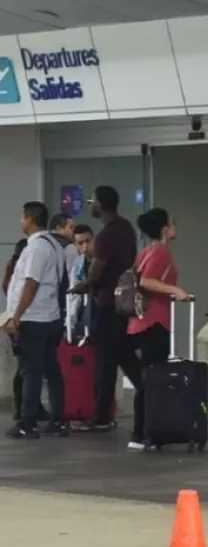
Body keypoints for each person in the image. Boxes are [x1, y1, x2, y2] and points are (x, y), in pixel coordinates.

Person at [69, 186, 138, 432]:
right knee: (123, 357)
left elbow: (96, 272)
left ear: (100, 204)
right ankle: (147, 393)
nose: (89, 204)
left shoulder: (107, 236)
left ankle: (100, 417)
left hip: (108, 304)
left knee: (105, 362)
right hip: (123, 304)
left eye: (92, 201)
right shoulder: (126, 228)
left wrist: (84, 283)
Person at [126, 209, 189, 451]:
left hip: (140, 321)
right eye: (172, 222)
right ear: (164, 228)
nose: (175, 226)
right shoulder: (160, 251)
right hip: (154, 322)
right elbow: (146, 281)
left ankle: (144, 432)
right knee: (151, 380)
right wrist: (176, 291)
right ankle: (143, 433)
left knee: (148, 379)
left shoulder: (144, 252)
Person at [5, 202, 66, 439]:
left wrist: (16, 316)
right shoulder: (55, 245)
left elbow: (31, 283)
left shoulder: (36, 248)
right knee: (51, 370)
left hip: (34, 318)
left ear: (29, 219)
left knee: (31, 371)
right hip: (50, 316)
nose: (20, 222)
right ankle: (58, 420)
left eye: (22, 217)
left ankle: (27, 423)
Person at [65, 224, 93, 344]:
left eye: (88, 241)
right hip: (88, 312)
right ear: (75, 245)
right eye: (80, 243)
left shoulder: (103, 259)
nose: (85, 246)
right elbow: (74, 295)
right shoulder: (79, 264)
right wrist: (70, 324)